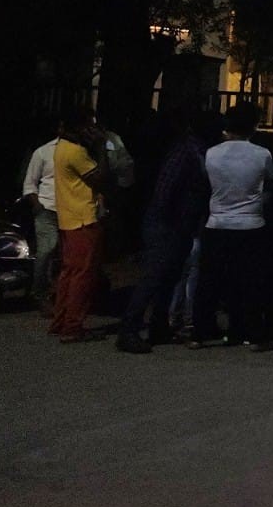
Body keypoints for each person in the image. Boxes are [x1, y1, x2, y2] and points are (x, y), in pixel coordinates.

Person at [116, 109, 210, 353]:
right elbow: (166, 190)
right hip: (170, 223)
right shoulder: (188, 151)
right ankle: (129, 329)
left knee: (167, 276)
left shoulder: (190, 149)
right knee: (155, 276)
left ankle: (157, 326)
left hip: (174, 222)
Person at [189, 102, 273, 350]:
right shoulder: (262, 154)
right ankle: (248, 331)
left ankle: (201, 331)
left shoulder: (212, 153)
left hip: (217, 222)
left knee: (209, 280)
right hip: (251, 224)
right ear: (255, 125)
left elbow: (206, 183)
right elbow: (270, 182)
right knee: (248, 281)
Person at [50, 106, 106, 342]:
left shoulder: (61, 148)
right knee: (83, 273)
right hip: (83, 217)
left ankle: (61, 319)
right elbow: (100, 178)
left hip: (67, 216)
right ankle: (73, 325)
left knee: (69, 271)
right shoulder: (76, 152)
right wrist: (102, 149)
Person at [21, 127, 60, 316]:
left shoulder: (82, 151)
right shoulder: (43, 151)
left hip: (72, 211)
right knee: (46, 250)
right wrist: (38, 206)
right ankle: (39, 294)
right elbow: (29, 183)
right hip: (48, 209)